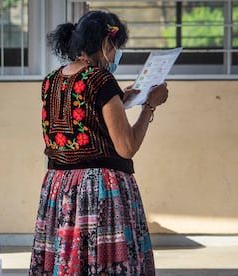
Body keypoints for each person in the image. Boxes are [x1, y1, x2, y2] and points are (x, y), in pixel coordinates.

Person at [29, 10, 168, 276]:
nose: (116, 55)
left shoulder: (51, 81)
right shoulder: (100, 79)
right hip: (100, 193)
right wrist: (149, 105)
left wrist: (120, 100)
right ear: (106, 43)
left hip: (60, 190)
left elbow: (85, 120)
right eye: (116, 47)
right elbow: (126, 146)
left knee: (70, 264)